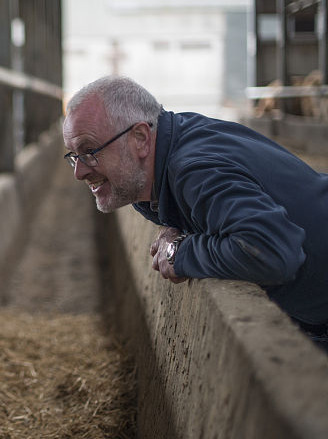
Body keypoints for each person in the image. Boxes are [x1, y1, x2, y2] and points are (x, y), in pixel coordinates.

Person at [62, 75, 328, 351]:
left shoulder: (192, 169)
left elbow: (272, 252)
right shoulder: (164, 158)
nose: (79, 172)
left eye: (90, 151)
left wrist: (180, 252)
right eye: (73, 155)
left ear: (140, 138)